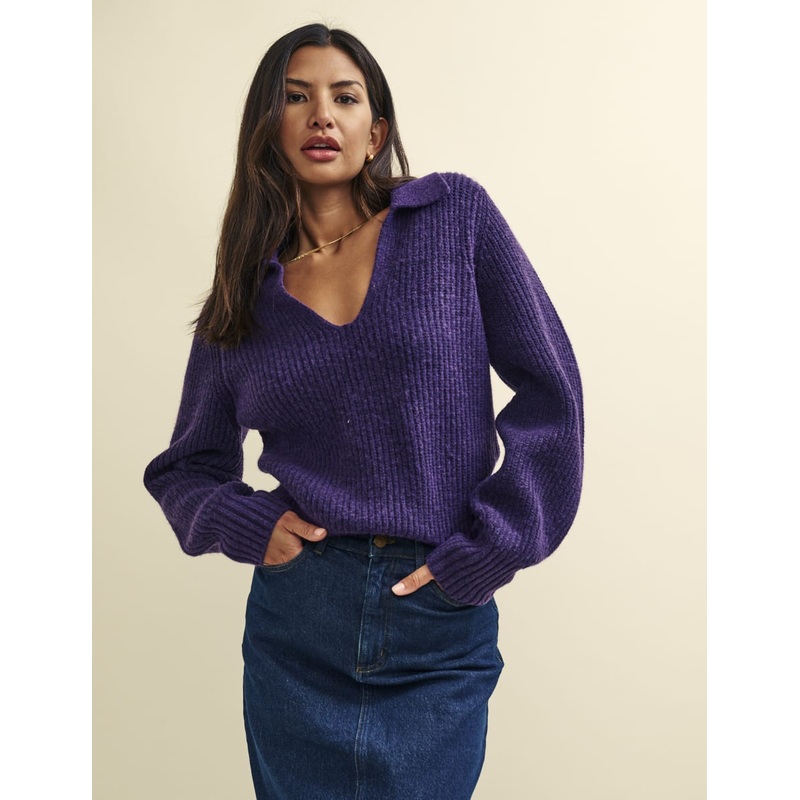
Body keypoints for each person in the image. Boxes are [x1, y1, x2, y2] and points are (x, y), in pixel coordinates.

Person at [142, 22, 584, 800]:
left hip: (436, 611)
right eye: (296, 97)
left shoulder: (452, 218)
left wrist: (492, 548)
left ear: (375, 131)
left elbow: (552, 392)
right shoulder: (246, 294)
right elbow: (185, 468)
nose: (322, 115)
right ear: (268, 127)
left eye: (344, 98)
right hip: (300, 623)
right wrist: (248, 524)